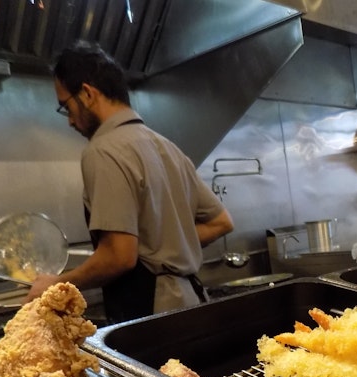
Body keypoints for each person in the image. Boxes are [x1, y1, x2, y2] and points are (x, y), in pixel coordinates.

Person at [25, 40, 234, 323]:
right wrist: (165, 243)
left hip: (153, 312)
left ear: (87, 94)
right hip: (190, 301)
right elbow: (220, 222)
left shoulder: (104, 150)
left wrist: (56, 284)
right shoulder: (167, 147)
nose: (70, 121)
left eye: (66, 106)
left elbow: (119, 256)